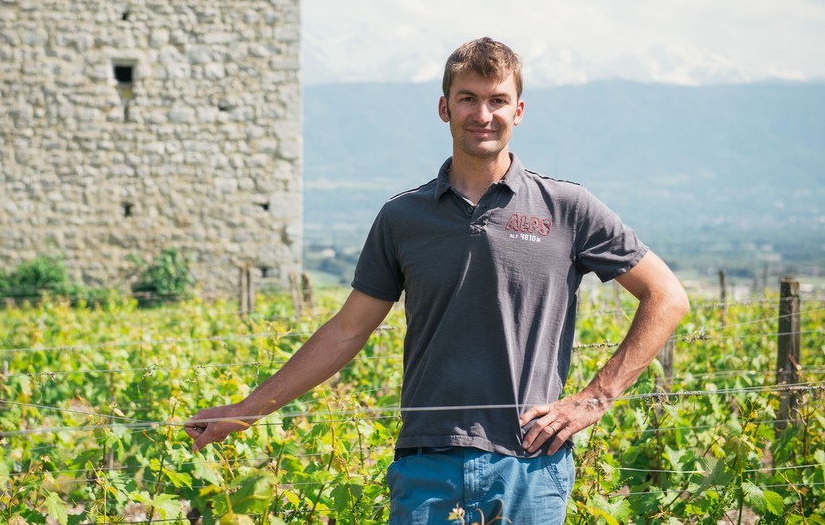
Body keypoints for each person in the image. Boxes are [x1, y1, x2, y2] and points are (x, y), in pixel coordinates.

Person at [184, 37, 690, 524]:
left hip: (529, 460)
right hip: (426, 462)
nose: (483, 114)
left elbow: (666, 297)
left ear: (519, 111)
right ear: (444, 108)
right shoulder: (403, 217)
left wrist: (595, 398)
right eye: (468, 98)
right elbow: (346, 331)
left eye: (497, 100)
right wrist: (247, 411)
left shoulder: (568, 208)